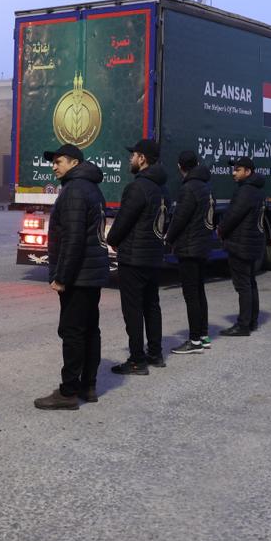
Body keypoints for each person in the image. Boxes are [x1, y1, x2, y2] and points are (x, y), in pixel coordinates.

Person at [35, 143, 109, 410]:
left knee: (72, 331)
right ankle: (88, 385)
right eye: (53, 162)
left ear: (74, 163)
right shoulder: (90, 187)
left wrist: (62, 276)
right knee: (89, 329)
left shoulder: (75, 190)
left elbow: (73, 239)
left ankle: (68, 393)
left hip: (79, 276)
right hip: (90, 273)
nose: (54, 166)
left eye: (59, 161)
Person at [106, 138, 169, 374]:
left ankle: (136, 360)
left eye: (133, 155)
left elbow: (123, 221)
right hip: (154, 255)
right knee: (152, 305)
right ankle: (155, 354)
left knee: (132, 309)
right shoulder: (163, 189)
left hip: (134, 258)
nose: (130, 159)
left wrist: (112, 240)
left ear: (142, 159)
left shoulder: (137, 187)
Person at [166, 150, 214, 354]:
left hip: (189, 248)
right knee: (199, 292)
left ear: (180, 167)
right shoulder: (205, 186)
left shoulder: (188, 188)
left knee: (191, 295)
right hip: (202, 245)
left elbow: (180, 218)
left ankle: (194, 341)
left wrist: (168, 239)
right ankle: (203, 336)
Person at [218, 158, 265, 336]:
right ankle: (252, 321)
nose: (234, 173)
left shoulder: (245, 191)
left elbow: (233, 216)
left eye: (238, 170)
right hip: (250, 243)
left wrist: (221, 230)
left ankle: (243, 325)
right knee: (250, 282)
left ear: (248, 172)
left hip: (241, 244)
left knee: (243, 285)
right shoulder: (256, 190)